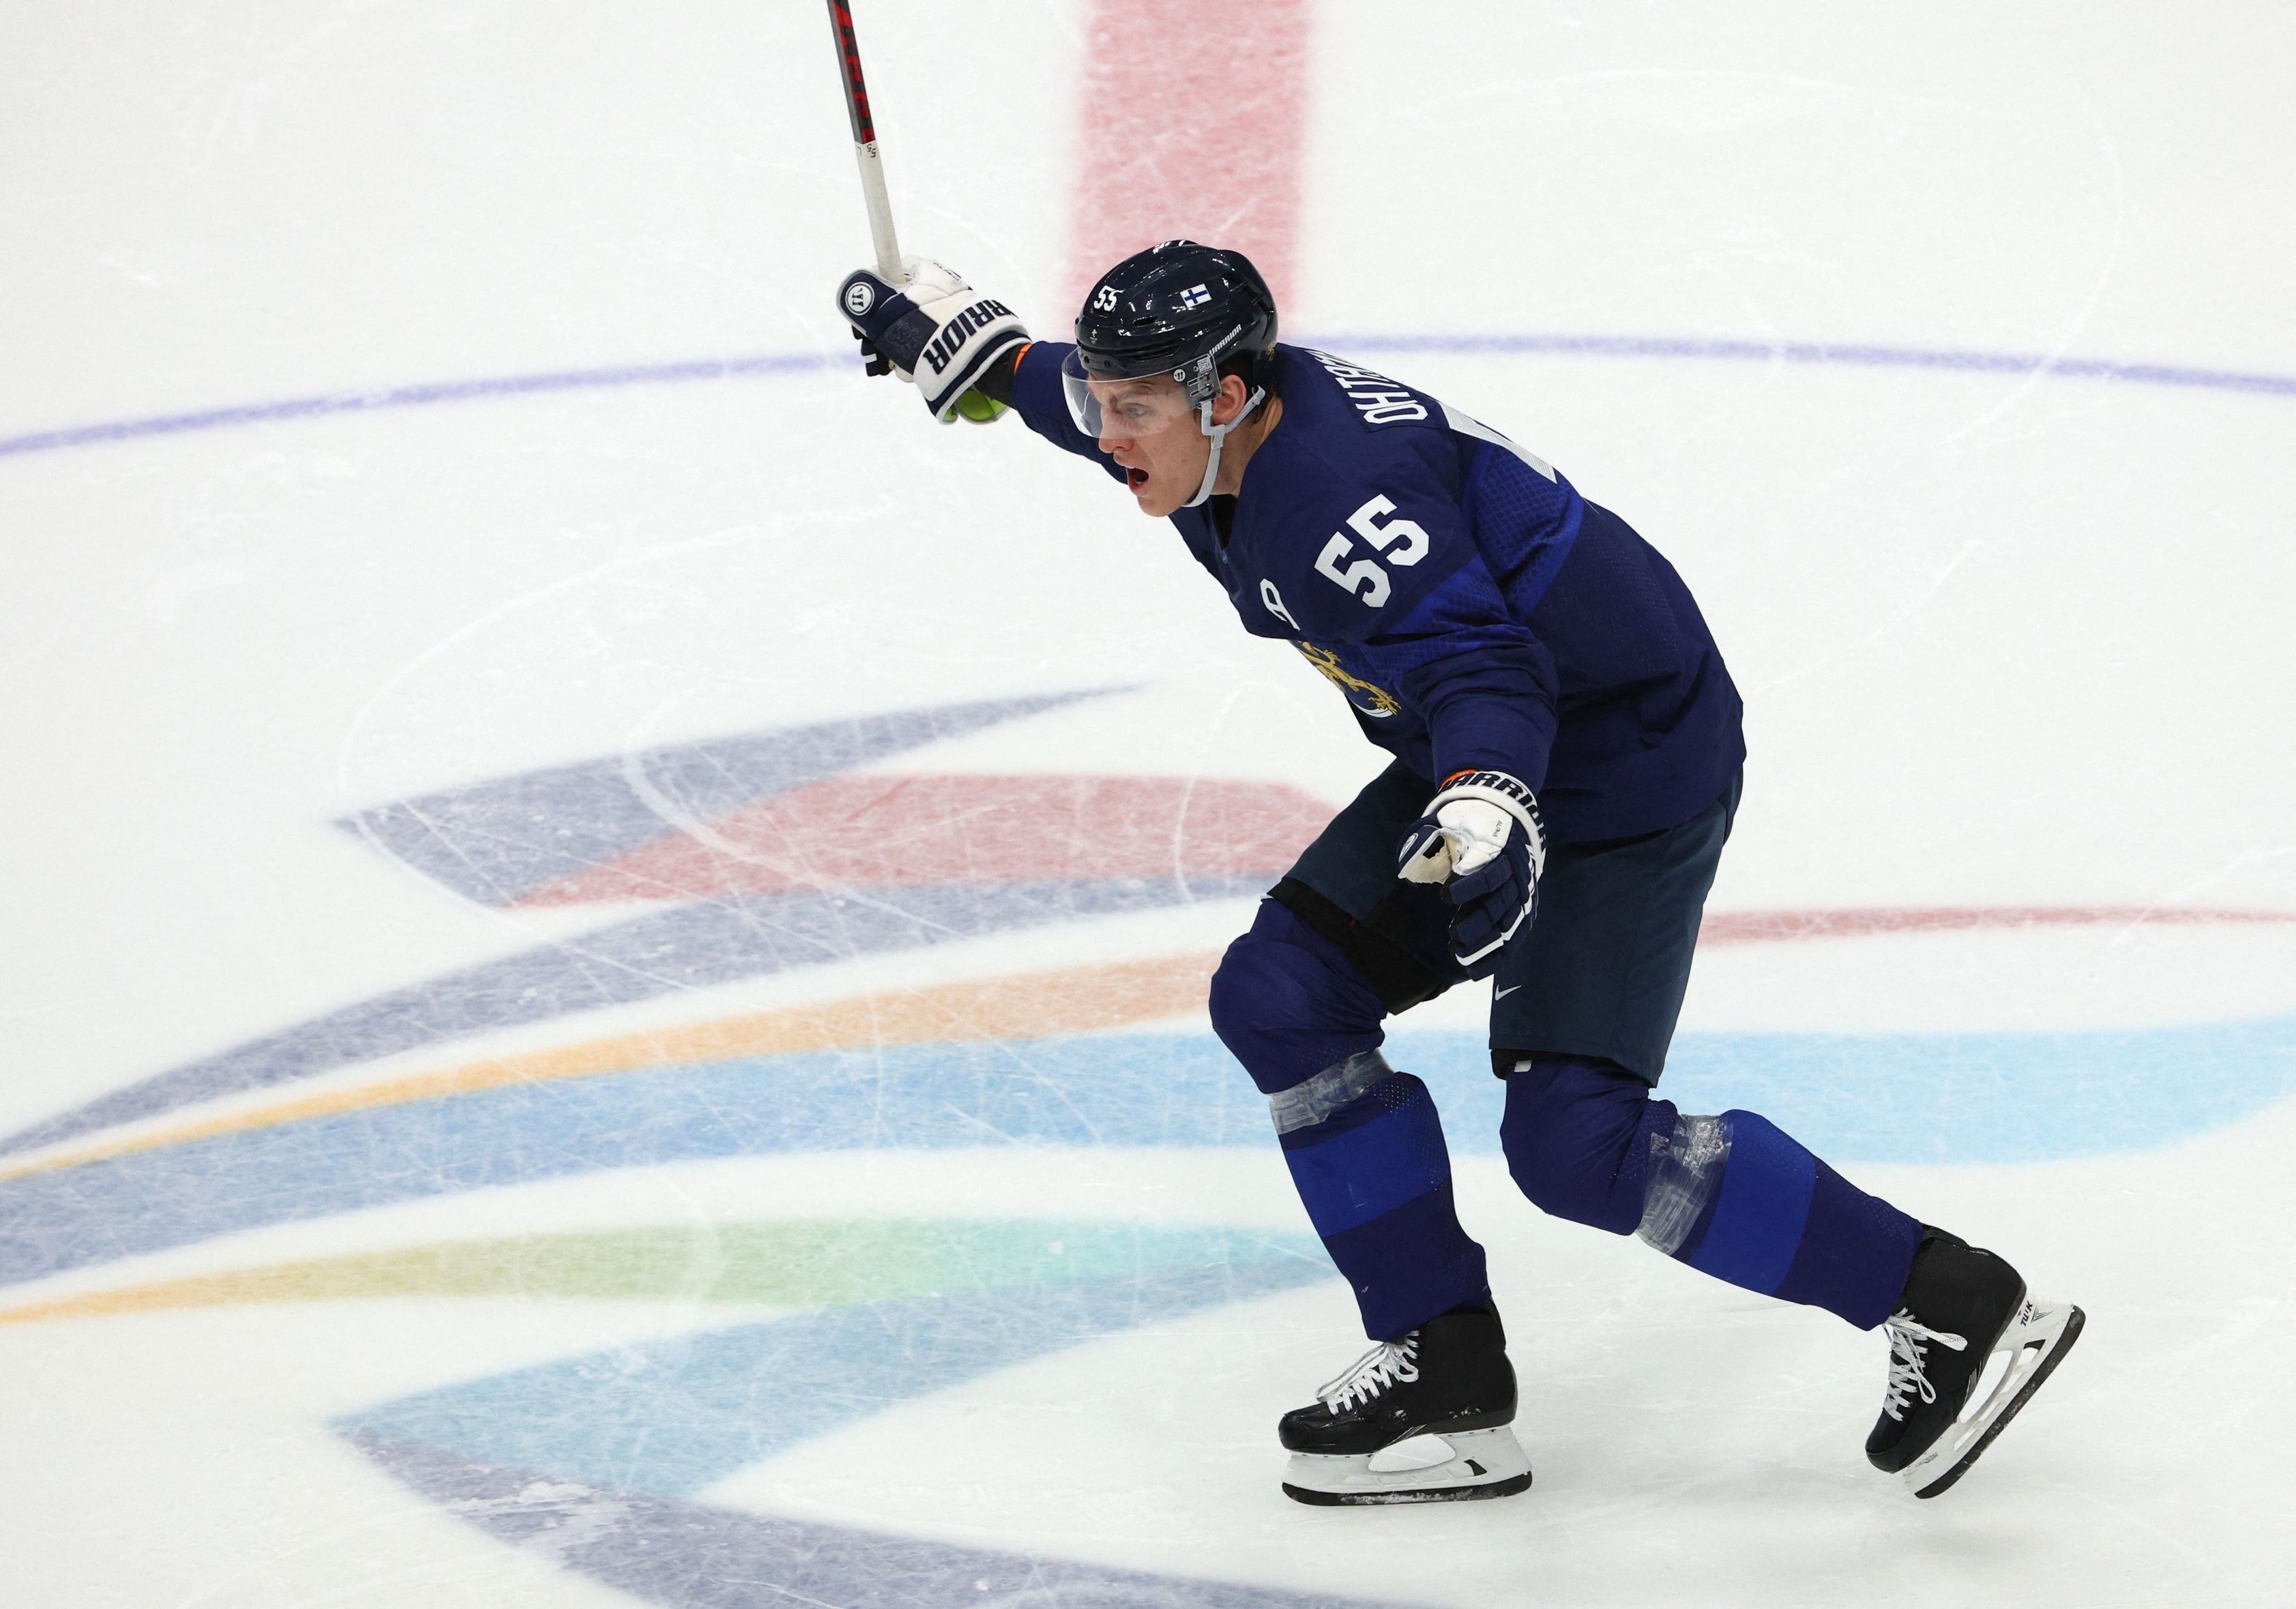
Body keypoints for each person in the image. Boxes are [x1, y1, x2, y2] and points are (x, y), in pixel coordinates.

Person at [834, 241, 2082, 1505]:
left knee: (1575, 1145)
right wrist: (987, 356)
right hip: (1486, 747)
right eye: (1103, 400)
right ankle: (1443, 1365)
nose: (1111, 435)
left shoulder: (1337, 503)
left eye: (1135, 408)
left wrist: (1487, 796)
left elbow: (1488, 666)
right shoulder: (1215, 422)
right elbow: (1082, 398)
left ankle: (1950, 1300)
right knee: (1283, 997)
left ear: (1225, 396)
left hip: (1620, 764)